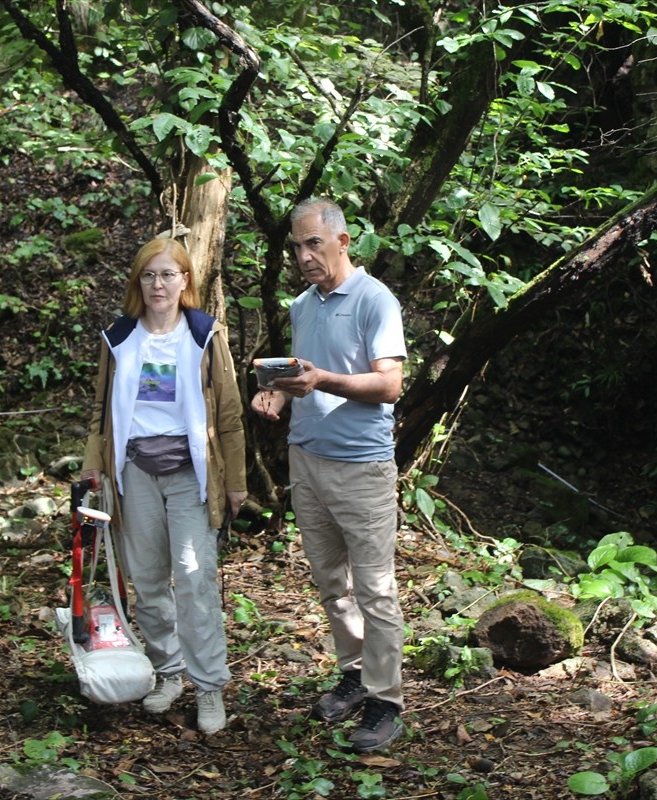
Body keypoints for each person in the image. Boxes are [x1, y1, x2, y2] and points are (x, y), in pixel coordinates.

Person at [251, 197, 407, 753]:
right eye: (296, 246)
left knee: (375, 588)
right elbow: (302, 374)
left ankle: (386, 700)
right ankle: (355, 673)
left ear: (343, 241)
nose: (303, 255)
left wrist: (322, 381)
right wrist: (275, 392)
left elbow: (389, 385)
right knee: (331, 583)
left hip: (361, 466)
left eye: (313, 243)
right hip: (306, 459)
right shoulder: (302, 306)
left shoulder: (374, 301)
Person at [81, 237, 247, 735]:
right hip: (135, 473)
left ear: (186, 281)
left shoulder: (205, 336)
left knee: (195, 579)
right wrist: (93, 470)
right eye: (149, 275)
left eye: (168, 275)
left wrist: (235, 482)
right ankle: (169, 671)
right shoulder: (119, 338)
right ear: (139, 282)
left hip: (191, 476)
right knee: (148, 580)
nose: (159, 284)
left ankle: (210, 686)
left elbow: (230, 417)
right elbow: (100, 415)